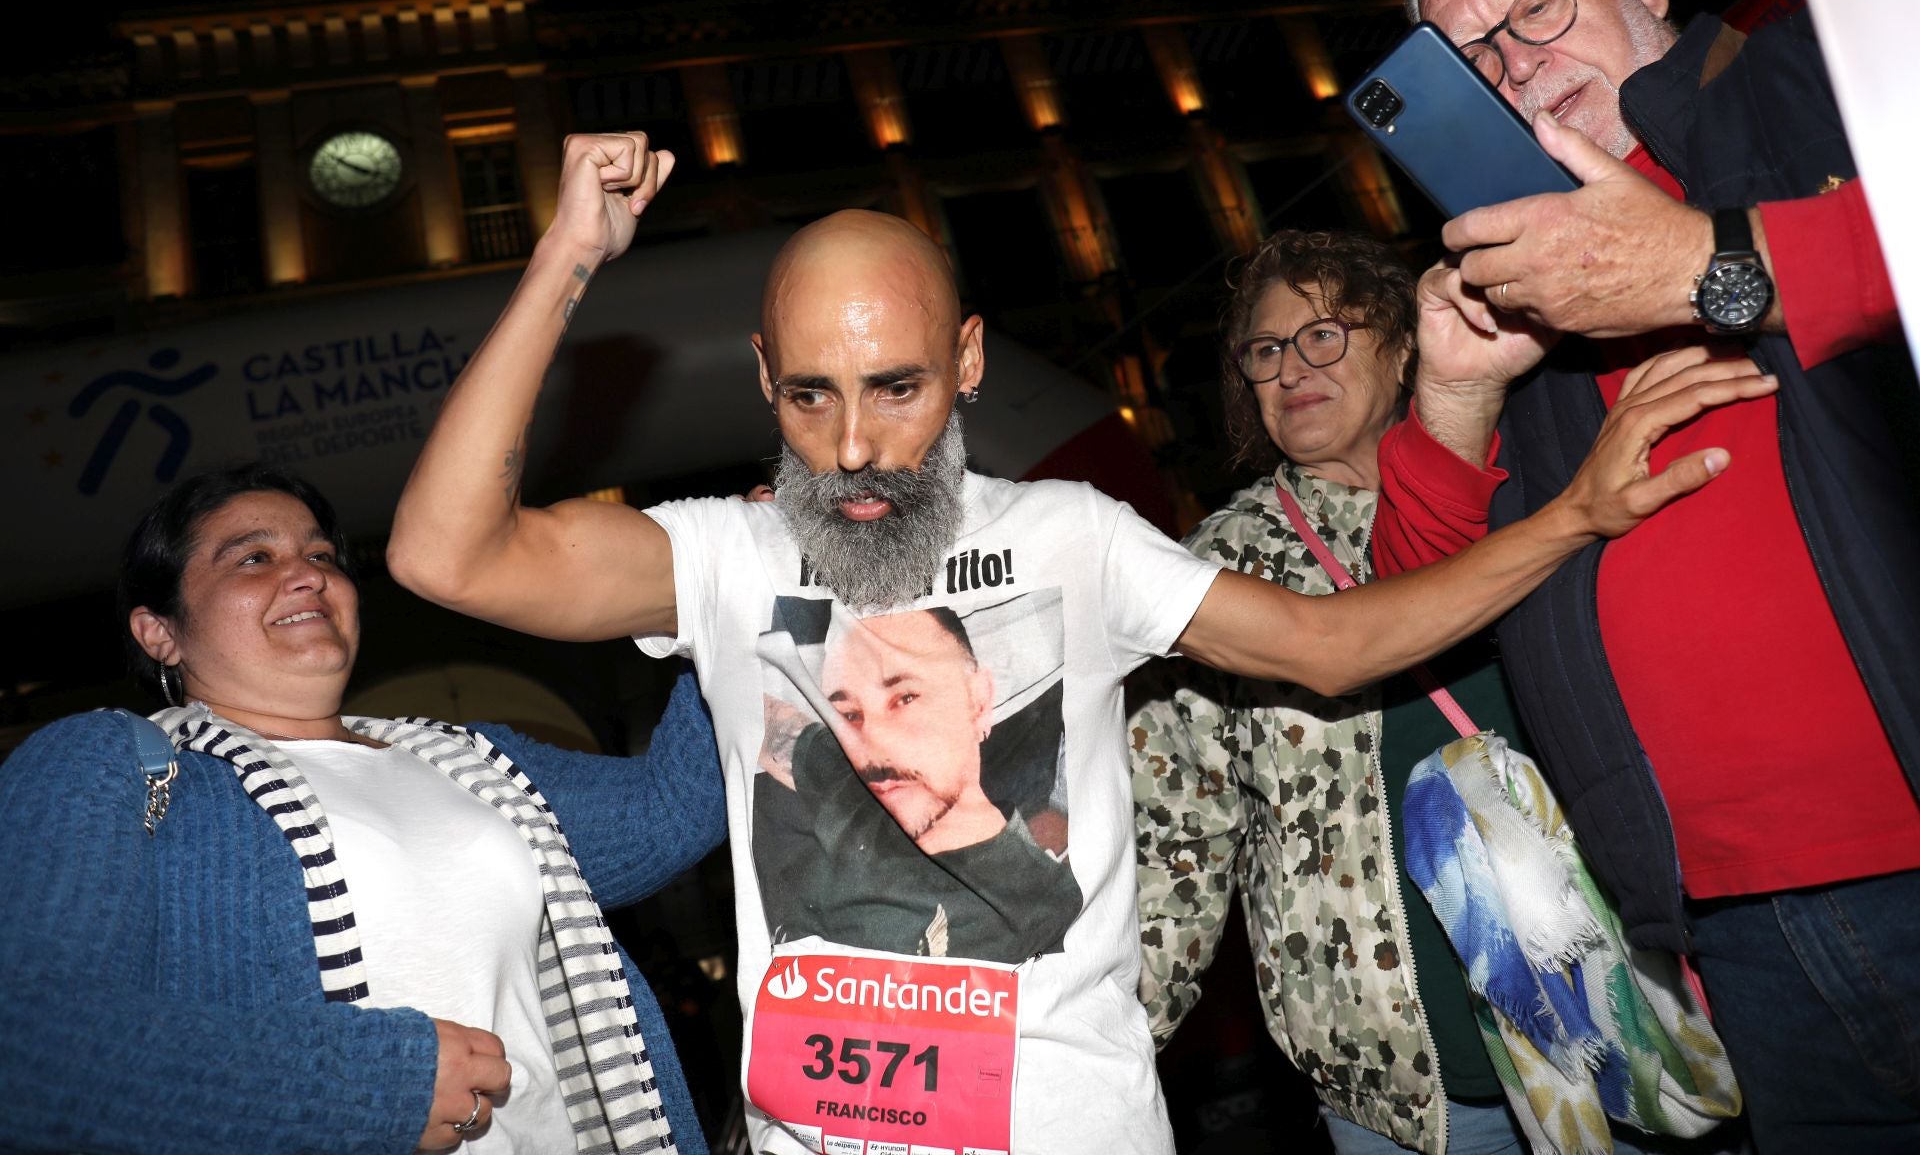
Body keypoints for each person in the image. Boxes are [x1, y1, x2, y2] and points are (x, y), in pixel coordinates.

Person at [384, 129, 1773, 1155]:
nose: (856, 445)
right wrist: (567, 255)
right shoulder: (728, 554)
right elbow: (442, 555)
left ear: (972, 362)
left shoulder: (1072, 536)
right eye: (810, 397)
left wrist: (1574, 516)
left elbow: (1333, 649)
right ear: (761, 380)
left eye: (897, 387)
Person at [1374, 0, 1920, 1148]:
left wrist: (1708, 269)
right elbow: (1415, 622)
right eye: (1471, 58)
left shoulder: (1808, 89)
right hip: (1727, 941)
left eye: (1541, 1)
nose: (1515, 61)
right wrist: (1452, 401)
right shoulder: (1510, 294)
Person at [0, 463, 727, 1155]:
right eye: (253, 559)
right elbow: (27, 1049)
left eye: (322, 555)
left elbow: (668, 815)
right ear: (159, 630)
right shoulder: (109, 765)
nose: (309, 573)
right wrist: (375, 1086)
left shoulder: (468, 760)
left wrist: (729, 597)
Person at [1133, 228, 1580, 1153]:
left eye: (1325, 333)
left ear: (1407, 341)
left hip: (1598, 997)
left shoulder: (1523, 485)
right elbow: (1177, 831)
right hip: (1398, 1077)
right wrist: (1099, 1040)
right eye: (1266, 349)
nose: (1292, 365)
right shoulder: (1222, 565)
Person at [754, 604, 1084, 963]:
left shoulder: (1044, 911)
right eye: (850, 714)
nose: (873, 746)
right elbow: (769, 725)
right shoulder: (852, 784)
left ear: (979, 700)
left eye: (905, 698)